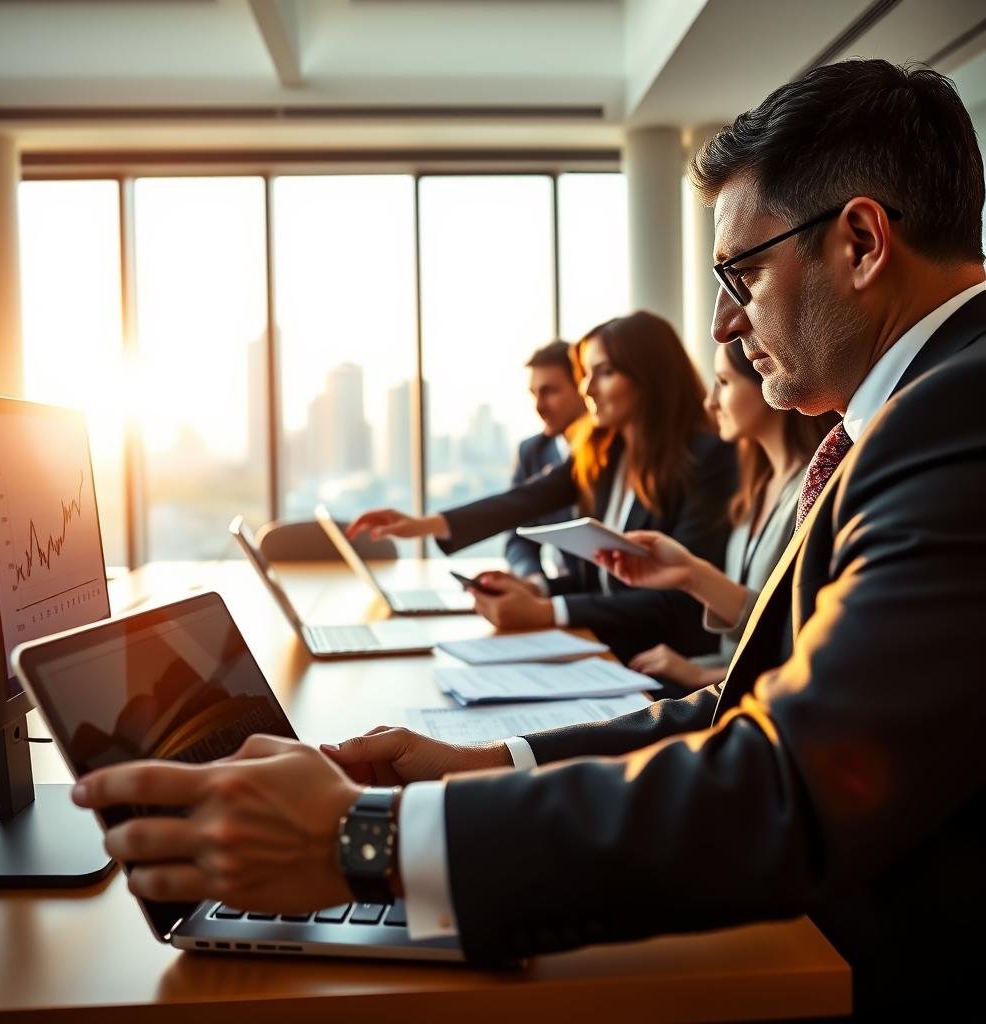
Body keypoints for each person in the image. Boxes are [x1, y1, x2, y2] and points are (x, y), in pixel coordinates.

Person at [72, 60, 986, 1016]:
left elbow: (787, 786)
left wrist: (366, 842)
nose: (721, 325)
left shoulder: (958, 416)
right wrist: (486, 766)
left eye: (743, 274)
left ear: (862, 242)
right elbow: (744, 713)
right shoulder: (915, 416)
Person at [349, 311, 738, 663]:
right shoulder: (606, 455)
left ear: (648, 376)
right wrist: (423, 525)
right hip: (600, 648)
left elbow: (678, 599)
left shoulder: (705, 458)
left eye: (604, 373)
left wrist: (549, 609)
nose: (588, 390)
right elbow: (524, 501)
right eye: (586, 374)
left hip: (660, 659)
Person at [611, 340, 837, 692]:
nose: (710, 401)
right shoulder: (756, 488)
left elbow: (795, 638)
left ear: (766, 378)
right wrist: (688, 573)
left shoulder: (813, 491)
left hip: (755, 693)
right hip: (730, 679)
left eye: (725, 383)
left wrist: (703, 675)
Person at [503, 339, 587, 584]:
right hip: (558, 593)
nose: (539, 407)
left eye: (550, 391)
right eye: (534, 394)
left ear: (583, 388)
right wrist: (533, 580)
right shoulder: (532, 451)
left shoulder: (614, 452)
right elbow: (518, 536)